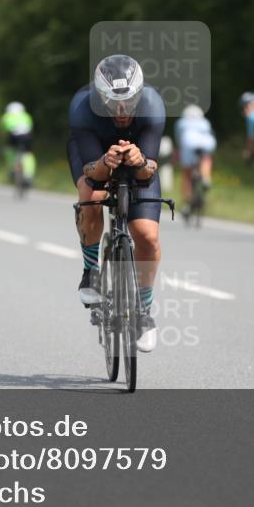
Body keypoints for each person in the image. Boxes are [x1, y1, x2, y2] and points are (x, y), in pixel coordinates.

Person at [67, 54, 164, 353]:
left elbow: (149, 170)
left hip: (139, 160)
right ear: (99, 99)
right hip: (94, 155)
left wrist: (140, 160)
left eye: (129, 100)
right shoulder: (83, 109)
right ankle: (91, 271)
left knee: (147, 235)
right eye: (112, 103)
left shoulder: (152, 106)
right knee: (92, 194)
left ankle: (144, 311)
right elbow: (90, 173)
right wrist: (104, 163)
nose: (122, 111)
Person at [173, 104, 216, 205]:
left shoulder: (181, 123)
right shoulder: (205, 122)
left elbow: (179, 139)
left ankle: (187, 201)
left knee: (187, 173)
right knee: (206, 159)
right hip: (206, 142)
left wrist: (178, 151)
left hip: (188, 142)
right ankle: (206, 178)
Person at [0, 101, 34, 187]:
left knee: (9, 150)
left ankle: (12, 169)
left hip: (13, 136)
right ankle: (29, 175)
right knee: (28, 154)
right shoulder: (26, 115)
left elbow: (3, 130)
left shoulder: (6, 116)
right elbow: (30, 127)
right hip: (26, 136)